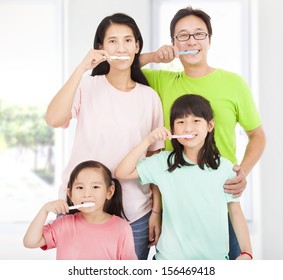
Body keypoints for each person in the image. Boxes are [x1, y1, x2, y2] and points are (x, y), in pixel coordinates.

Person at [139, 6, 265, 259]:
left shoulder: (234, 83)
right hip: (177, 210)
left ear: (209, 39)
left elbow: (258, 135)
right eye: (182, 35)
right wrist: (155, 55)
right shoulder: (163, 81)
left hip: (222, 204)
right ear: (173, 42)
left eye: (199, 34)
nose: (192, 41)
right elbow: (117, 66)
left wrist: (242, 172)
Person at [45, 13, 164, 259]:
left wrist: (156, 211)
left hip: (135, 214)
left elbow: (155, 160)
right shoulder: (87, 86)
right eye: (112, 41)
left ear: (137, 46)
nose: (121, 47)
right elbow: (54, 119)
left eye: (128, 40)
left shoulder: (149, 97)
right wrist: (80, 70)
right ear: (100, 47)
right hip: (81, 207)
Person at [115, 94, 253, 260]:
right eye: (181, 122)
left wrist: (247, 253)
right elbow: (122, 172)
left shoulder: (224, 168)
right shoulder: (163, 163)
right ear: (173, 130)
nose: (188, 128)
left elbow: (235, 212)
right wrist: (148, 141)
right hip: (169, 261)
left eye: (196, 121)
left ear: (210, 125)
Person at [23, 160, 137, 260]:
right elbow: (30, 242)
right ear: (70, 194)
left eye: (95, 187)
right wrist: (44, 210)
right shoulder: (63, 224)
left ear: (109, 192)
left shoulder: (122, 228)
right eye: (80, 188)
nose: (86, 194)